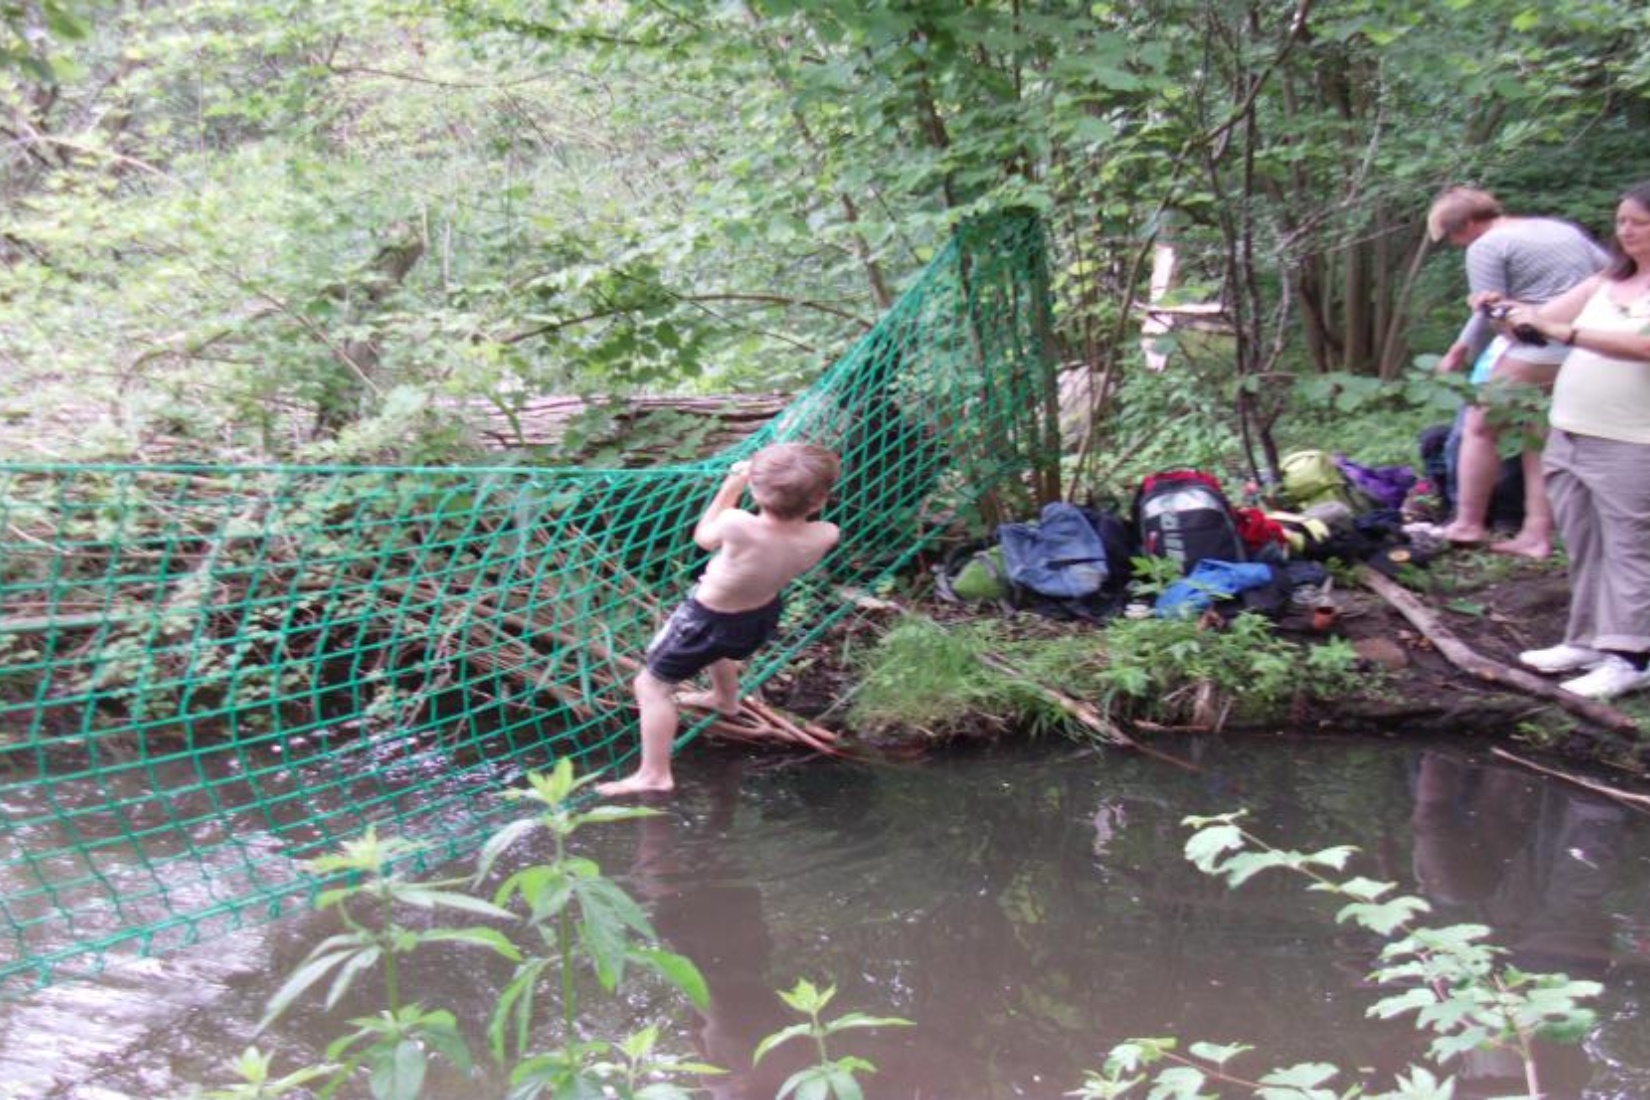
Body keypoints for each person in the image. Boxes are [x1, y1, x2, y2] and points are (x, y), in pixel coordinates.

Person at [1484, 180, 1650, 700]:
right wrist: (1506, 312)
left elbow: (1641, 347)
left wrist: (1565, 333)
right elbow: (1545, 318)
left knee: (1630, 547)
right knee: (1583, 540)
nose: (1626, 231)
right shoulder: (1605, 281)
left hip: (1633, 438)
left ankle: (1633, 656)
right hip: (1572, 429)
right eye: (1621, 221)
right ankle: (1588, 641)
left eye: (1639, 222)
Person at [597, 443, 841, 796]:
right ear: (818, 500)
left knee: (650, 686)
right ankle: (725, 699)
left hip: (705, 620)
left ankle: (654, 774)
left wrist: (732, 484)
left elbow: (703, 538)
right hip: (760, 615)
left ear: (756, 490)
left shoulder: (737, 523)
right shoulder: (824, 534)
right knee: (723, 652)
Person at [1426, 187, 1608, 557]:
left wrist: (1460, 351)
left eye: (1452, 237)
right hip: (1582, 343)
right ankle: (1536, 535)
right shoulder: (1559, 229)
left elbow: (1489, 309)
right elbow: (1609, 272)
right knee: (1536, 437)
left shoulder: (1486, 246)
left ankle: (1467, 523)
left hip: (1536, 347)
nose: (1456, 245)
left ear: (1467, 224)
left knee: (1480, 428)